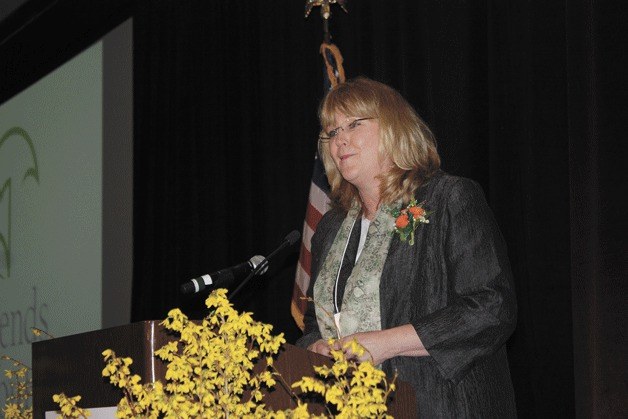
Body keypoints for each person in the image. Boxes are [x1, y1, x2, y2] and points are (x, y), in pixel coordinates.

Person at [296, 77, 517, 417]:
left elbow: (492, 307)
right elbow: (314, 320)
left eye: (354, 124)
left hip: (440, 405)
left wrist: (385, 343)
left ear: (393, 127)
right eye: (332, 131)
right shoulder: (331, 228)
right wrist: (317, 347)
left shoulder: (448, 199)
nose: (340, 140)